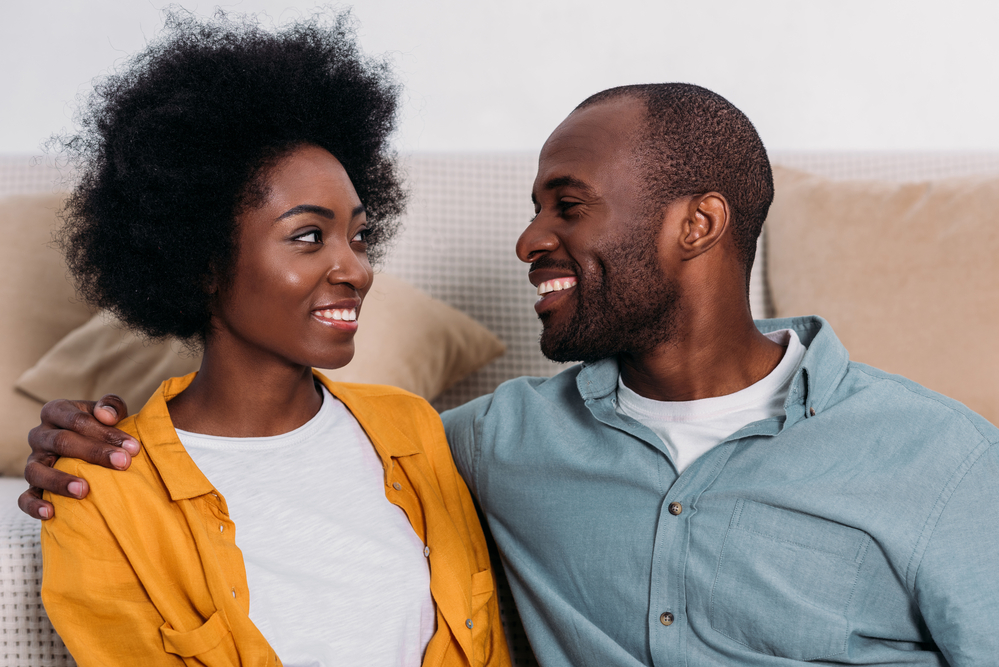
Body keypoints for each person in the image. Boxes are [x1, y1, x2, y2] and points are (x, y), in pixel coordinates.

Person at [23, 83, 999, 666]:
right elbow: (300, 463)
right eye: (535, 206)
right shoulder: (483, 445)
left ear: (697, 225)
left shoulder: (942, 458)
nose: (530, 239)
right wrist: (88, 438)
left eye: (568, 207)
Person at [26, 10, 509, 667]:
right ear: (202, 262)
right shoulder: (101, 496)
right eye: (308, 236)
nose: (356, 269)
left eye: (358, 235)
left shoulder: (412, 431)